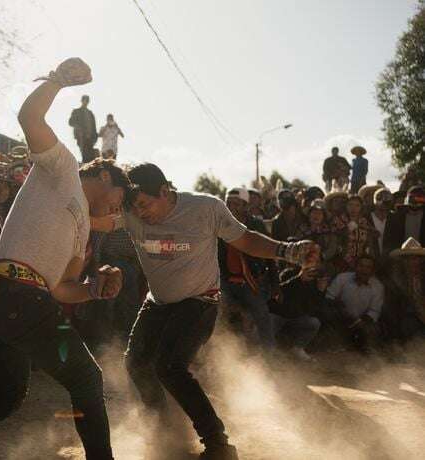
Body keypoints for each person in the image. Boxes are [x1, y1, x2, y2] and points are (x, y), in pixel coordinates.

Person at [0, 58, 127, 460]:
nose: (120, 212)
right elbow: (29, 115)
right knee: (86, 379)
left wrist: (94, 289)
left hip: (12, 301)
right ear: (106, 177)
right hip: (12, 295)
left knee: (5, 399)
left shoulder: (82, 230)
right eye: (121, 200)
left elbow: (61, 289)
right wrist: (57, 80)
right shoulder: (64, 169)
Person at [118, 163, 318, 460]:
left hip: (199, 302)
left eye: (145, 205)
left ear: (164, 191)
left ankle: (218, 444)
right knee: (136, 363)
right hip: (157, 303)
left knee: (170, 367)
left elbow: (246, 239)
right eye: (134, 208)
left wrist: (287, 251)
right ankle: (166, 431)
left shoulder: (205, 208)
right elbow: (92, 218)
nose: (141, 214)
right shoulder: (130, 215)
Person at [219, 188, 279, 349]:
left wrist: (275, 284)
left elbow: (269, 254)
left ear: (245, 206)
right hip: (225, 280)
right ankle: (215, 353)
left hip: (251, 280)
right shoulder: (219, 225)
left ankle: (270, 355)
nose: (232, 207)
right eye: (229, 203)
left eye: (236, 203)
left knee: (261, 313)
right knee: (215, 310)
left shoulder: (255, 225)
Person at [325, 255, 384, 353]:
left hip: (362, 321)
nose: (364, 270)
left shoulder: (378, 286)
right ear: (355, 267)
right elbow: (329, 297)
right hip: (340, 318)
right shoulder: (342, 278)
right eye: (361, 266)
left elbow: (374, 311)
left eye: (368, 267)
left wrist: (359, 322)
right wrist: (342, 312)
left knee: (372, 332)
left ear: (373, 271)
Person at [387, 238, 425, 341]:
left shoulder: (423, 278)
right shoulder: (396, 281)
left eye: (416, 258)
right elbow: (394, 310)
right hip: (406, 321)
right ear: (404, 261)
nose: (413, 262)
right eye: (409, 259)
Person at [383, 185, 425, 255]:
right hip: (400, 257)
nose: (415, 200)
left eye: (418, 197)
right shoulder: (395, 217)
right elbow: (388, 241)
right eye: (412, 198)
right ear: (407, 199)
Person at [69, 94, 97, 163]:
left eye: (87, 100)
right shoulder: (76, 111)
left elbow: (94, 127)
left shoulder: (90, 113)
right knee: (85, 155)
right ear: (82, 101)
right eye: (85, 100)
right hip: (81, 137)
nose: (86, 102)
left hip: (90, 138)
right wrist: (79, 128)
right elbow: (70, 122)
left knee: (91, 157)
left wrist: (95, 137)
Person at [370, 188, 394, 257]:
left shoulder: (394, 218)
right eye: (380, 199)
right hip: (370, 259)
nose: (383, 202)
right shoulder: (366, 218)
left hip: (389, 259)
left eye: (387, 200)